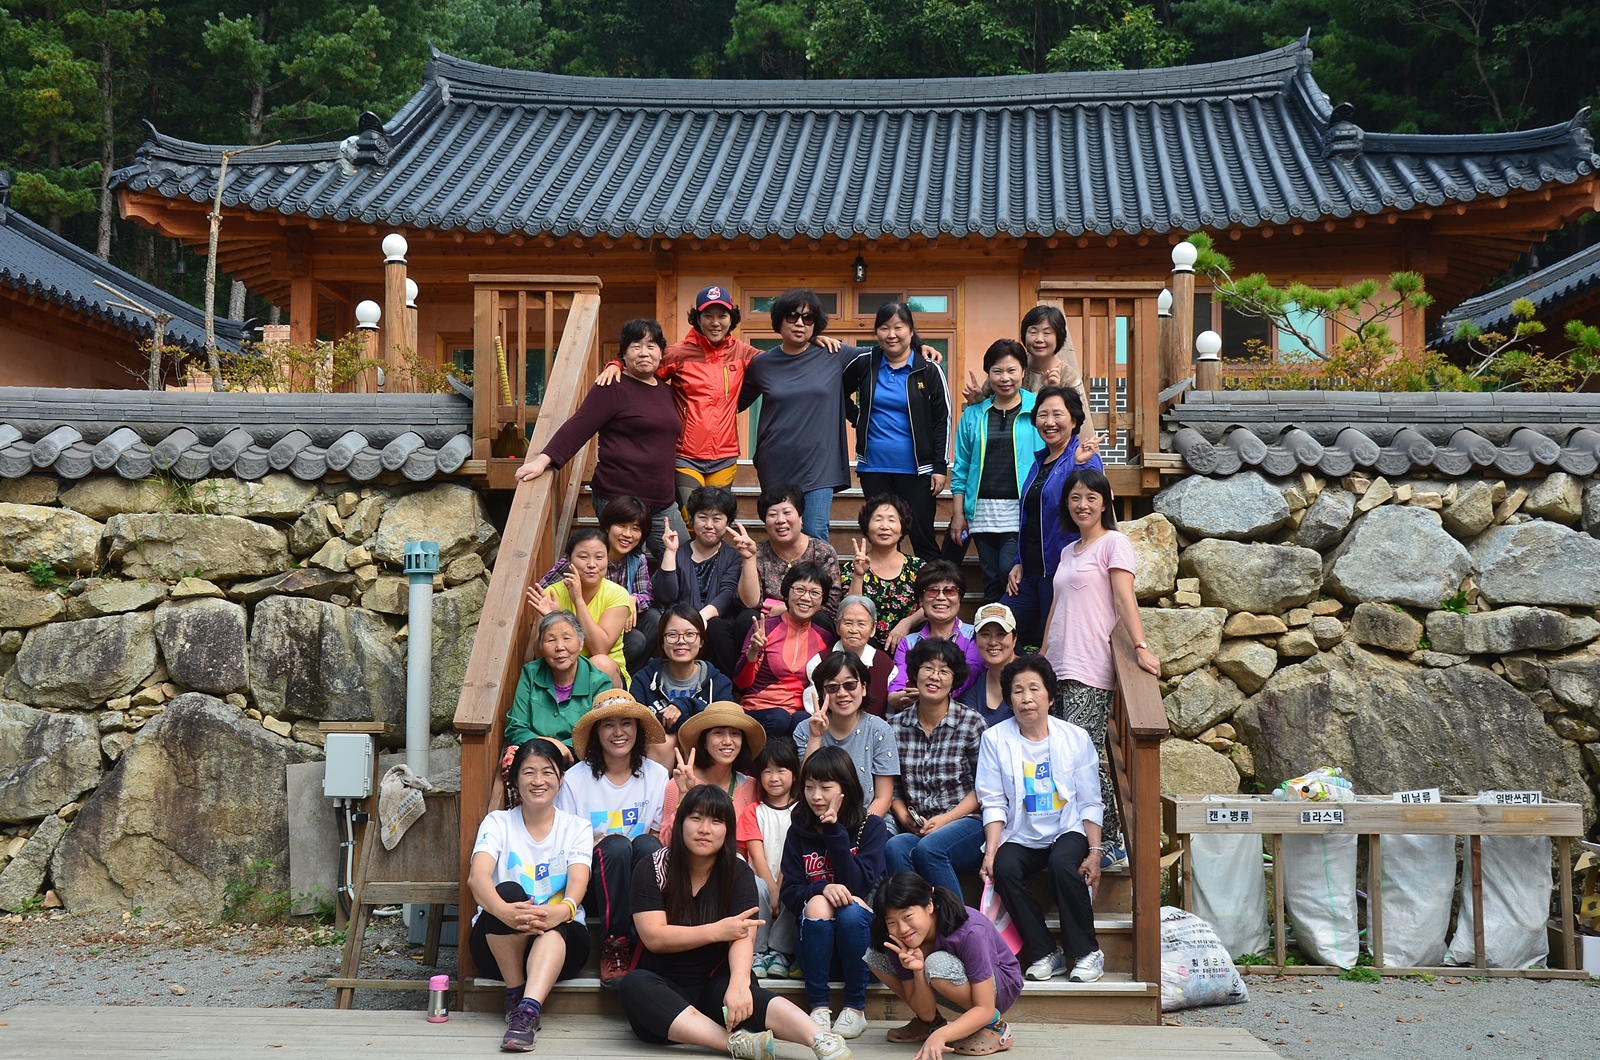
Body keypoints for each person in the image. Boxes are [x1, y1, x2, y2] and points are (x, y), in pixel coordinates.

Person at [616, 784, 855, 1060]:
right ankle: (734, 1043)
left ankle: (823, 1039)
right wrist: (717, 931)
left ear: (728, 829)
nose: (705, 829)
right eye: (696, 818)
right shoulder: (653, 867)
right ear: (680, 823)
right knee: (634, 985)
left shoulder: (737, 872)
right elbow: (654, 937)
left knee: (748, 994)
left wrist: (739, 982)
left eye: (716, 821)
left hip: (716, 979)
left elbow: (743, 935)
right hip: (664, 984)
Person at [1040, 467, 1161, 867]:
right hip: (1057, 666)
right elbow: (1057, 607)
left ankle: (1111, 839)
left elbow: (1124, 599)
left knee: (1084, 753)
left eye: (1091, 497)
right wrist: (1041, 657)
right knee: (1059, 754)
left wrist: (1140, 646)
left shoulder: (1114, 543)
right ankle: (1074, 834)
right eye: (1075, 497)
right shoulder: (1067, 551)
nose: (1082, 504)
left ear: (1106, 502)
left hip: (1090, 664)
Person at [977, 656, 1105, 984]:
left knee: (1063, 865)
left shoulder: (1075, 738)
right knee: (1004, 868)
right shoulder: (994, 739)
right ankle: (1044, 951)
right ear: (1009, 700)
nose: (1026, 698)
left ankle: (1087, 952)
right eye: (1018, 691)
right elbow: (993, 801)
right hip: (1021, 831)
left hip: (1067, 827)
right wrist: (991, 852)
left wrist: (1095, 851)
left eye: (1034, 689)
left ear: (1050, 697)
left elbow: (1090, 799)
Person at [516, 317, 687, 559]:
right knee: (623, 567)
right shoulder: (612, 386)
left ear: (661, 353)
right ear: (624, 354)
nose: (644, 353)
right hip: (619, 499)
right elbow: (578, 426)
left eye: (651, 346)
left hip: (663, 502)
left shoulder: (665, 391)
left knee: (682, 562)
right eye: (635, 346)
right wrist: (542, 461)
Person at [468, 739, 594, 1052]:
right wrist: (503, 911)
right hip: (499, 947)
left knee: (555, 916)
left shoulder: (577, 827)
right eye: (528, 772)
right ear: (515, 779)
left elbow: (579, 880)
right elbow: (477, 877)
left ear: (561, 778)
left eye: (547, 772)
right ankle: (515, 993)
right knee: (507, 892)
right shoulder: (498, 822)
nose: (538, 781)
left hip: (562, 949)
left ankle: (526, 1011)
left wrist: (562, 910)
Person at [558, 692, 669, 987]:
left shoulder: (657, 775)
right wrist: (597, 844)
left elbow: (658, 835)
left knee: (648, 845)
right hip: (594, 885)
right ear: (597, 732)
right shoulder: (575, 780)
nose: (618, 732)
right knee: (617, 846)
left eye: (626, 723)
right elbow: (564, 843)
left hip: (640, 883)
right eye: (608, 725)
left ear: (638, 729)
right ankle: (614, 945)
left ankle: (648, 940)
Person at [738, 290, 866, 542]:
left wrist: (918, 346)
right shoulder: (762, 364)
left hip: (818, 464)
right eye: (792, 316)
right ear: (779, 320)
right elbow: (732, 403)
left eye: (808, 318)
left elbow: (885, 353)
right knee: (782, 535)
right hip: (775, 462)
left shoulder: (834, 354)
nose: (800, 323)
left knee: (815, 534)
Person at [782, 745, 888, 1041]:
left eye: (825, 788)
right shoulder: (798, 830)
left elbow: (859, 886)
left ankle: (855, 1008)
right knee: (818, 903)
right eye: (809, 787)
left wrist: (834, 832)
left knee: (851, 908)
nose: (816, 796)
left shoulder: (871, 827)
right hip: (816, 952)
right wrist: (822, 888)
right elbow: (789, 891)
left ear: (845, 788)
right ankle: (818, 1005)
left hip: (862, 950)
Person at [864, 872, 1021, 1053]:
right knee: (875, 956)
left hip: (999, 986)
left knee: (936, 963)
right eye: (891, 922)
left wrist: (942, 1036)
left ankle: (995, 1026)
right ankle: (932, 1025)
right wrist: (917, 971)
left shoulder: (970, 931)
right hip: (950, 979)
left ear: (929, 905)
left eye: (907, 916)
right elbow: (926, 1013)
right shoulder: (897, 940)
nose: (902, 929)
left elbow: (984, 1008)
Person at [841, 302, 951, 560]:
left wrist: (939, 466)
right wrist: (859, 418)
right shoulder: (865, 363)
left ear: (910, 330)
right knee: (883, 539)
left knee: (922, 537)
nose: (891, 334)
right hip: (875, 468)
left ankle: (936, 584)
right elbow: (838, 391)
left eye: (898, 327)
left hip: (918, 470)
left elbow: (942, 419)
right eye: (884, 328)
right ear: (876, 332)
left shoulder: (928, 368)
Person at [1003, 386, 1104, 648]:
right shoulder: (1039, 462)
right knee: (997, 625)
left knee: (1055, 644)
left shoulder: (1084, 459)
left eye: (1058, 414)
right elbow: (1029, 518)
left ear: (1074, 420)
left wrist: (1079, 464)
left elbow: (1087, 511)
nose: (1049, 422)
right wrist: (1018, 561)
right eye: (1042, 414)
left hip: (1062, 572)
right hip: (1030, 572)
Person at [884, 639, 986, 899]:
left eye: (944, 671)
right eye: (928, 668)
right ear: (915, 673)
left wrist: (946, 819)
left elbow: (984, 787)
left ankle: (958, 922)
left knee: (930, 849)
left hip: (966, 823)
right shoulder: (895, 727)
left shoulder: (971, 723)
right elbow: (893, 788)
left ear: (955, 679)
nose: (935, 677)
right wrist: (905, 818)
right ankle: (914, 918)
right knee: (895, 846)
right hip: (921, 826)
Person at [950, 340, 1041, 603]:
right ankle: (991, 627)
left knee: (1007, 570)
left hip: (1021, 509)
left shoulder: (1037, 408)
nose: (1005, 378)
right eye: (997, 371)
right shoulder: (973, 415)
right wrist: (959, 515)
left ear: (1023, 371)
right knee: (990, 577)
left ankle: (1017, 625)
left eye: (1012, 370)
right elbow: (961, 468)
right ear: (988, 373)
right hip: (982, 511)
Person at [539, 495, 657, 674]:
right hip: (579, 625)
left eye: (635, 529)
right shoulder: (579, 560)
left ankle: (630, 674)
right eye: (621, 526)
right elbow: (544, 588)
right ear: (608, 526)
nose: (627, 534)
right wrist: (555, 614)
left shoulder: (636, 560)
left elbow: (646, 595)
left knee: (652, 621)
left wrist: (633, 599)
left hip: (616, 626)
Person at [735, 564, 835, 744]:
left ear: (822, 600)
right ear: (787, 592)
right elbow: (741, 683)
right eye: (799, 590)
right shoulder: (765, 628)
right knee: (779, 718)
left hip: (797, 712)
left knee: (804, 720)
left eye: (814, 593)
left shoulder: (825, 638)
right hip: (759, 710)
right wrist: (753, 651)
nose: (806, 598)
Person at [794, 653, 898, 821]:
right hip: (818, 822)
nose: (842, 693)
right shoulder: (805, 729)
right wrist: (815, 737)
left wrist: (859, 831)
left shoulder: (880, 730)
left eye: (850, 685)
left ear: (863, 688)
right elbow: (805, 787)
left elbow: (883, 798)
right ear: (822, 692)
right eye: (832, 687)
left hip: (870, 821)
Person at [632, 605, 736, 767]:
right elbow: (639, 726)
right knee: (665, 742)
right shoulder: (643, 679)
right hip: (657, 760)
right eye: (672, 635)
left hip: (703, 762)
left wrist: (685, 706)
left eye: (690, 634)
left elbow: (724, 725)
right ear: (662, 641)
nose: (681, 641)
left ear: (701, 641)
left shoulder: (719, 683)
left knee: (695, 743)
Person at [527, 527, 631, 685]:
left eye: (599, 557)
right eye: (583, 557)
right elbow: (540, 654)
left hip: (606, 674)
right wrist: (552, 621)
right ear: (569, 560)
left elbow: (600, 648)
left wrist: (578, 600)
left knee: (599, 663)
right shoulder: (552, 593)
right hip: (562, 672)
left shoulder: (617, 594)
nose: (592, 564)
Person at [505, 610, 616, 755]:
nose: (560, 647)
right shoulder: (530, 673)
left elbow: (597, 733)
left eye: (567, 638)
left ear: (581, 643)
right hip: (535, 756)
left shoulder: (600, 682)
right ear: (541, 646)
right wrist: (549, 746)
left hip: (580, 759)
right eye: (551, 640)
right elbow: (515, 727)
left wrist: (561, 749)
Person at [739, 483, 843, 632]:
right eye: (772, 514)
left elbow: (831, 604)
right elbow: (750, 603)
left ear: (801, 517)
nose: (780, 520)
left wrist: (787, 610)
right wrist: (749, 559)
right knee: (746, 617)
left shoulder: (822, 551)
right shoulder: (757, 552)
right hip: (768, 625)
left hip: (809, 622)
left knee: (821, 619)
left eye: (787, 512)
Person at [960, 303, 1093, 418]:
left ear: (1059, 337)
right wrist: (977, 401)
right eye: (1033, 332)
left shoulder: (1068, 376)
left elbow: (1075, 418)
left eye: (1047, 333)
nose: (1039, 339)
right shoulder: (1011, 364)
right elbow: (986, 405)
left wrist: (1053, 392)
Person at [658, 702, 765, 842]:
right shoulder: (680, 783)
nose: (727, 741)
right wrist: (684, 796)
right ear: (704, 741)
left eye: (735, 734)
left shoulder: (753, 786)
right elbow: (667, 842)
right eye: (718, 733)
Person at [740, 739, 801, 980]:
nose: (774, 778)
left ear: (794, 775)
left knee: (796, 888)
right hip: (762, 879)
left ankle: (781, 952)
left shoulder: (801, 812)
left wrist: (781, 886)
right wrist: (772, 888)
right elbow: (756, 854)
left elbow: (795, 852)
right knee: (754, 886)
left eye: (781, 771)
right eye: (767, 771)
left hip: (789, 875)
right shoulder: (753, 811)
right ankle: (758, 951)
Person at [887, 561, 982, 708]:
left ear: (959, 599)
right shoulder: (909, 642)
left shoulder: (974, 636)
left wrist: (930, 694)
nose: (941, 597)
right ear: (921, 600)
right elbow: (898, 685)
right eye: (932, 591)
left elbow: (970, 675)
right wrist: (898, 696)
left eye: (950, 591)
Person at [656, 486, 744, 640]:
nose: (709, 525)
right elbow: (666, 596)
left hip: (719, 630)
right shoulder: (678, 553)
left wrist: (699, 618)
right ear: (692, 519)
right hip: (680, 629)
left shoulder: (733, 557)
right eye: (702, 517)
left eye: (716, 519)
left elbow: (727, 593)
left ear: (728, 522)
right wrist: (669, 552)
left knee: (715, 627)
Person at [843, 494, 923, 650]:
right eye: (878, 519)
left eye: (892, 520)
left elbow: (930, 605)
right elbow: (850, 612)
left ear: (902, 528)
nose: (885, 526)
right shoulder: (851, 568)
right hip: (864, 647)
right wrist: (858, 575)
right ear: (867, 527)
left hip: (909, 646)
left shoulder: (917, 567)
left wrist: (908, 622)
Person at [802, 596, 898, 718]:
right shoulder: (819, 662)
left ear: (873, 628)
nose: (853, 630)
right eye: (848, 623)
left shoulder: (885, 665)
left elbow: (889, 715)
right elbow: (813, 711)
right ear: (837, 626)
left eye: (861, 624)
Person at [955, 604, 1019, 728]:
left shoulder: (1034, 675)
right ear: (975, 640)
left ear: (1014, 639)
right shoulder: (973, 685)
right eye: (985, 634)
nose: (993, 642)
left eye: (1001, 634)